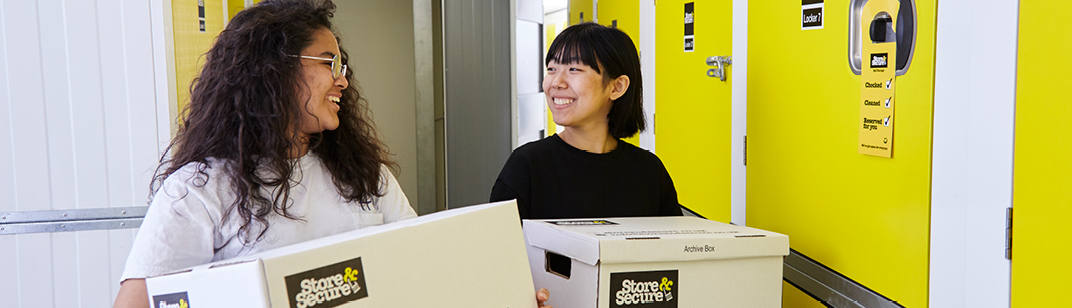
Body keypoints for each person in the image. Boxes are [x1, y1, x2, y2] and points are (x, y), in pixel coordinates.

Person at [112, 1, 549, 307]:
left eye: (343, 66)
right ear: (273, 69)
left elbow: (423, 269)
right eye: (328, 63)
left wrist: (507, 296)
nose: (343, 80)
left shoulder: (365, 175)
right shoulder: (200, 190)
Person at [490, 23, 682, 219]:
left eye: (574, 69)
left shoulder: (649, 171)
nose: (556, 82)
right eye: (552, 69)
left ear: (616, 87)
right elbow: (496, 246)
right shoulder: (527, 166)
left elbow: (672, 247)